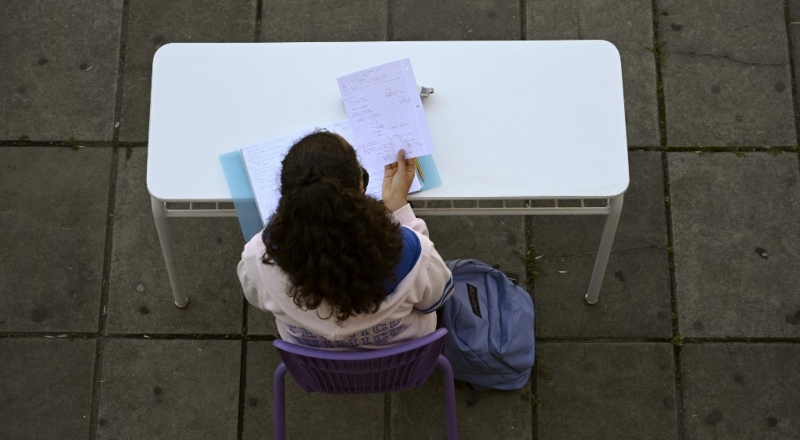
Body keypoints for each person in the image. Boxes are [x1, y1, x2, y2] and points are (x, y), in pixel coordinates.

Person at [237, 131, 453, 349]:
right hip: (404, 362)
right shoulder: (414, 253)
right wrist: (400, 210)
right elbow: (436, 298)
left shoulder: (257, 256)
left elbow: (255, 298)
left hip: (317, 369)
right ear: (360, 189)